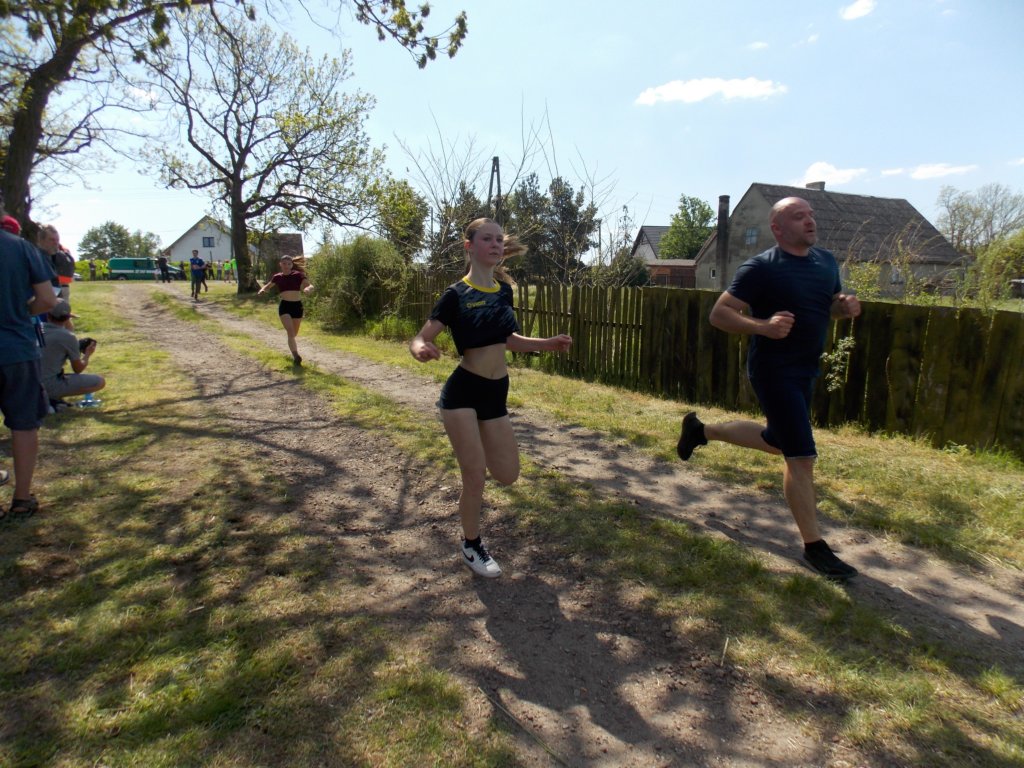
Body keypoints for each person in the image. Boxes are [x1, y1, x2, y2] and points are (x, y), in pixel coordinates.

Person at [676, 197, 862, 581]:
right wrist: (763, 326)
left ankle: (700, 431)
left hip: (806, 368)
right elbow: (720, 314)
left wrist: (842, 308)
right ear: (778, 228)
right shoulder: (761, 267)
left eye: (811, 215)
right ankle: (814, 547)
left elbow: (825, 306)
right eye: (799, 216)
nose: (810, 221)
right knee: (801, 456)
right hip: (774, 370)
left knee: (778, 441)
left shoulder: (826, 262)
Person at [409, 218, 573, 578]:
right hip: (463, 392)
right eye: (487, 239)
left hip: (496, 393)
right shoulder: (456, 295)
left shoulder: (503, 291)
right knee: (475, 474)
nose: (496, 244)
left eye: (499, 239)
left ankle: (477, 451)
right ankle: (472, 545)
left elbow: (508, 339)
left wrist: (547, 343)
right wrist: (421, 348)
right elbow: (421, 337)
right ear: (469, 246)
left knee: (508, 474)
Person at [1, 195, 58, 519]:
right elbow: (48, 300)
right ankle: (22, 497)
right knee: (23, 424)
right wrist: (23, 313)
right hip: (17, 349)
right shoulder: (21, 248)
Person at [39, 301, 105, 406]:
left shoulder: (35, 329)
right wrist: (87, 354)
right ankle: (50, 398)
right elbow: (78, 369)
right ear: (67, 318)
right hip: (47, 385)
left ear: (48, 315)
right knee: (99, 382)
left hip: (27, 383)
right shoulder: (67, 337)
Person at [257, 256, 314, 364]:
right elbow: (268, 286)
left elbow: (310, 285)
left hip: (297, 306)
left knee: (293, 334)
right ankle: (296, 356)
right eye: (284, 263)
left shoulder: (298, 275)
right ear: (280, 264)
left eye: (288, 264)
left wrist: (308, 289)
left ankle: (292, 347)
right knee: (290, 332)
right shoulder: (277, 277)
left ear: (292, 265)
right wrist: (262, 290)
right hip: (285, 306)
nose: (286, 266)